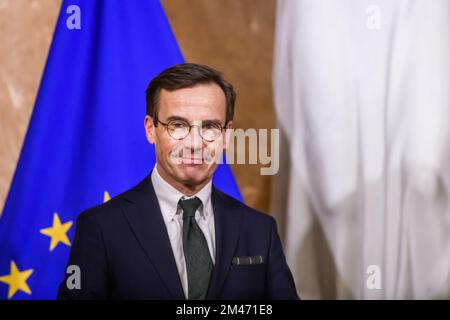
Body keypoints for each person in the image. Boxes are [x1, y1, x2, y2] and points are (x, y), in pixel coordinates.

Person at [58, 63, 299, 300]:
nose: (194, 144)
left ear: (226, 136)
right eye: (178, 125)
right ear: (150, 129)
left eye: (210, 127)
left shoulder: (259, 231)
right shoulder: (101, 228)